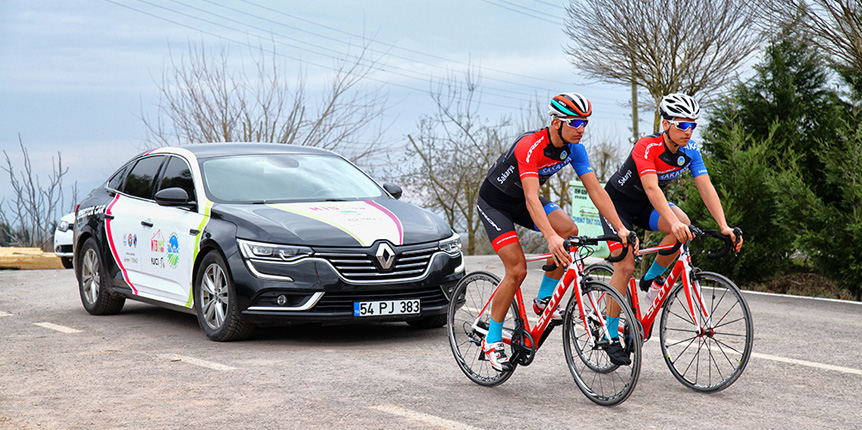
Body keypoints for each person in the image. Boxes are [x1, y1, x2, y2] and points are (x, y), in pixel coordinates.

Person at [477, 93, 635, 372]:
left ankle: (544, 299)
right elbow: (531, 197)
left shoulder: (576, 149)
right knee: (516, 270)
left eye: (585, 122)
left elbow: (596, 190)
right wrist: (550, 237)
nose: (581, 128)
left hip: (526, 202)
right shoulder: (530, 146)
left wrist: (620, 228)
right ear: (556, 122)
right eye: (575, 122)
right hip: (496, 203)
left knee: (569, 230)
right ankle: (491, 339)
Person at [600, 92, 743, 364]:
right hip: (617, 205)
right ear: (665, 124)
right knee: (626, 266)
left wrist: (724, 226)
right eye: (682, 125)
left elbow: (705, 186)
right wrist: (674, 222)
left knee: (685, 227)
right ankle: (609, 334)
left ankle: (652, 278)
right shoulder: (647, 146)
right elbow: (652, 188)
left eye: (693, 125)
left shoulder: (690, 151)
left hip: (646, 206)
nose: (688, 131)